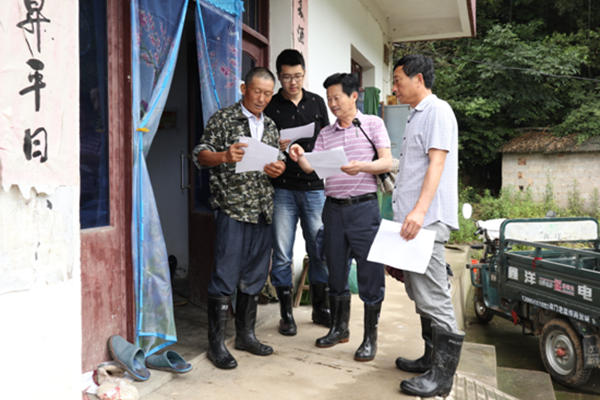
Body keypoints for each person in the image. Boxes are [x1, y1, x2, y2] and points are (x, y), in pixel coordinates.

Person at [289, 73, 391, 362]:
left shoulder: (373, 124)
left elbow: (385, 160)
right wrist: (298, 154)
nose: (332, 104)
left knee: (370, 272)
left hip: (364, 208)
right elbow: (310, 167)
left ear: (353, 96)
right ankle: (339, 328)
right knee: (335, 269)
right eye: (329, 99)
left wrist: (362, 166)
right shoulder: (325, 134)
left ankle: (370, 339)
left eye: (337, 97)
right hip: (332, 209)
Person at [193, 67, 286, 370]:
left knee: (255, 275)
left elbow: (277, 162)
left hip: (262, 209)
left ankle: (246, 335)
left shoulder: (271, 125)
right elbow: (200, 155)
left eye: (268, 94)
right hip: (233, 208)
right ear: (244, 88)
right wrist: (223, 156)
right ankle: (216, 344)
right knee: (225, 275)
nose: (262, 98)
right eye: (257, 91)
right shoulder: (223, 118)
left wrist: (278, 169)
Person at [391, 54, 463, 397]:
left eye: (398, 80)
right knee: (418, 292)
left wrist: (419, 211)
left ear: (418, 79)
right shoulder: (415, 115)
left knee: (434, 297)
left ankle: (441, 379)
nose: (394, 88)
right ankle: (430, 360)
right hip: (413, 223)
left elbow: (436, 163)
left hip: (427, 221)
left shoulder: (437, 111)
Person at [263, 49, 331, 336]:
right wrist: (277, 147)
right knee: (282, 253)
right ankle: (286, 313)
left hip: (315, 188)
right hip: (283, 190)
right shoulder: (271, 105)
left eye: (298, 76)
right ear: (279, 76)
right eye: (288, 77)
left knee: (319, 250)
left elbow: (327, 139)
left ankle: (320, 307)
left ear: (304, 73)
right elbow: (261, 145)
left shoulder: (316, 102)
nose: (293, 82)